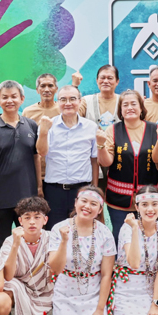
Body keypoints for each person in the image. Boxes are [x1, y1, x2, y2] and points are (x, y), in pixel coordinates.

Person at [48, 187, 117, 315]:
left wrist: (100, 309)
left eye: (93, 204)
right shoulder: (59, 228)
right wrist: (64, 241)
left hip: (93, 295)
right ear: (76, 202)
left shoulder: (105, 233)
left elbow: (107, 275)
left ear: (100, 209)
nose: (87, 206)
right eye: (84, 201)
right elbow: (55, 268)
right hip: (66, 293)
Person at [0, 80, 41, 243]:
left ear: (22, 98)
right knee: (1, 241)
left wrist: (39, 187)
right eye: (5, 97)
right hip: (1, 198)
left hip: (27, 196)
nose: (10, 101)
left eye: (14, 96)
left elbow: (36, 156)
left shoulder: (31, 125)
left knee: (29, 240)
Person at [38, 85, 104, 228]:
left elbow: (94, 161)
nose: (68, 103)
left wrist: (94, 189)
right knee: (54, 232)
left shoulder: (91, 127)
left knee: (82, 231)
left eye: (72, 99)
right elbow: (41, 152)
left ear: (80, 101)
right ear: (58, 102)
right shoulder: (48, 125)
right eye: (63, 99)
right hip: (54, 190)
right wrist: (43, 132)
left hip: (82, 190)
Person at [100, 89, 158, 239]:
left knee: (149, 238)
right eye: (125, 105)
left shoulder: (155, 129)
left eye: (133, 104)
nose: (129, 108)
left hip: (149, 199)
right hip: (119, 198)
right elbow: (106, 162)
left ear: (141, 107)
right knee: (120, 238)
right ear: (120, 110)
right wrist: (100, 146)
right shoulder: (113, 130)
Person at [0, 196, 55, 315]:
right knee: (7, 287)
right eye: (27, 217)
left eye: (37, 217)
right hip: (20, 287)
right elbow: (8, 275)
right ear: (20, 221)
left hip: (45, 286)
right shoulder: (10, 240)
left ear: (45, 220)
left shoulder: (52, 238)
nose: (32, 222)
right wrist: (15, 245)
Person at [81, 64, 121, 131]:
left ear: (117, 81)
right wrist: (75, 85)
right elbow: (71, 117)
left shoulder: (124, 101)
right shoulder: (86, 101)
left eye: (110, 78)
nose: (105, 81)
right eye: (102, 78)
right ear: (97, 81)